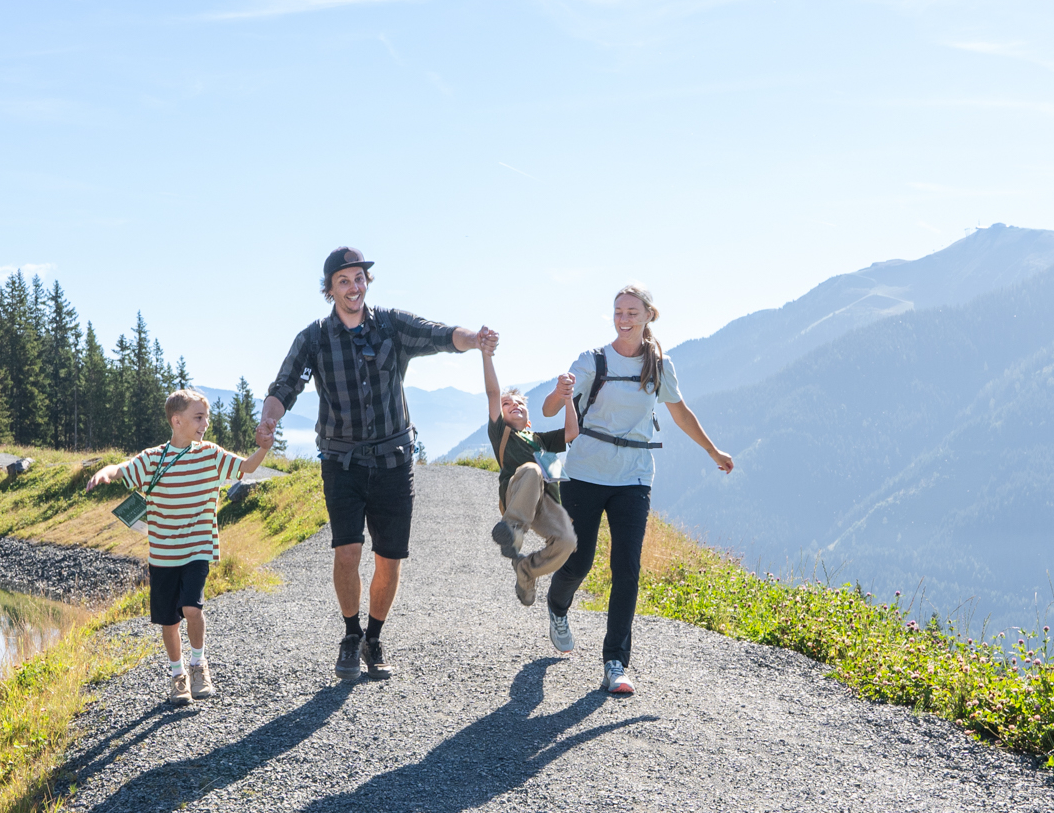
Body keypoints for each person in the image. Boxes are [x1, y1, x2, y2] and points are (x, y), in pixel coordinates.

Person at [259, 246, 491, 681]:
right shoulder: (313, 338)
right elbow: (285, 384)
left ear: (367, 282)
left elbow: (439, 335)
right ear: (329, 290)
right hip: (341, 462)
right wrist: (269, 418)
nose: (353, 286)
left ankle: (374, 637)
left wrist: (473, 338)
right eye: (343, 281)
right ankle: (350, 634)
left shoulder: (390, 324)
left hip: (393, 461)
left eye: (359, 278)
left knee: (389, 559)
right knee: (347, 552)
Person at [538, 284, 733, 696]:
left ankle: (615, 662)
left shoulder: (659, 365)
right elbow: (550, 410)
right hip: (586, 472)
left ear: (648, 316)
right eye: (618, 312)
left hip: (634, 478)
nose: (623, 319)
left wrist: (713, 450)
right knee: (579, 562)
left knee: (626, 569)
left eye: (631, 312)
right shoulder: (592, 360)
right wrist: (561, 391)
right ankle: (558, 604)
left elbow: (680, 412)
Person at [88, 388, 272, 705]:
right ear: (177, 421)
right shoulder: (152, 458)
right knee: (170, 621)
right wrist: (105, 472)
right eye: (198, 417)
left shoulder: (210, 454)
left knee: (192, 607)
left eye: (207, 417)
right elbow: (122, 469)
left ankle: (199, 665)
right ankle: (178, 675)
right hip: (162, 554)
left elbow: (247, 467)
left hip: (198, 547)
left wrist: (264, 448)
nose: (205, 423)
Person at [478, 330, 578, 606]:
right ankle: (513, 529)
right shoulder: (501, 432)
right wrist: (486, 355)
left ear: (530, 419)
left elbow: (572, 431)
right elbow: (493, 392)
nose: (514, 406)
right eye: (507, 405)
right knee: (533, 471)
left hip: (543, 500)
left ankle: (526, 571)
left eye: (520, 403)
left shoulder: (540, 440)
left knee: (567, 542)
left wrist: (567, 399)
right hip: (516, 492)